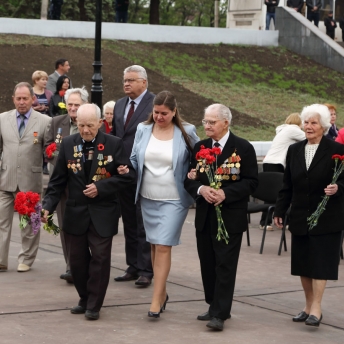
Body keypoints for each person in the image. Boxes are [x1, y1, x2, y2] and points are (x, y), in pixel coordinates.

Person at [42, 103, 135, 320]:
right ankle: (84, 298)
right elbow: (56, 182)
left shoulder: (114, 144)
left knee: (100, 259)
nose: (85, 130)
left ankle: (94, 304)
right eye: (81, 125)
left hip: (103, 212)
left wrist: (101, 188)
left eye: (90, 125)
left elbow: (128, 176)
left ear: (100, 123)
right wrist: (47, 206)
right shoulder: (67, 144)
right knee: (77, 261)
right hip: (75, 212)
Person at [122, 91, 199, 318]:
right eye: (156, 112)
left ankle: (156, 299)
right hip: (147, 196)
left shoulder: (187, 131)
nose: (159, 117)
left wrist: (196, 172)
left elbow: (200, 157)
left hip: (174, 198)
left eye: (164, 113)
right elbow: (136, 158)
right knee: (155, 245)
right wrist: (127, 168)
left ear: (174, 112)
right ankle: (162, 292)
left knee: (164, 245)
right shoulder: (143, 130)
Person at [184, 104, 258, 331]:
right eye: (205, 121)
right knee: (207, 263)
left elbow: (252, 182)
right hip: (206, 216)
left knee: (225, 264)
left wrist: (226, 193)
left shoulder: (242, 148)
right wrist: (201, 190)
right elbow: (189, 178)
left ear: (225, 123)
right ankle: (213, 303)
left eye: (212, 122)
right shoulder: (200, 146)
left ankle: (220, 313)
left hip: (229, 216)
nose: (207, 126)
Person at [274, 104, 344, 327]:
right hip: (301, 214)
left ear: (323, 126)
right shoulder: (294, 150)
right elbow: (287, 185)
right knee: (303, 263)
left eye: (313, 123)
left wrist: (338, 188)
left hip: (327, 215)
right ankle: (307, 305)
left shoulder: (338, 150)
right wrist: (279, 210)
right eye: (306, 122)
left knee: (320, 263)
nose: (308, 126)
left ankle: (317, 308)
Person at [0, 82, 51, 273]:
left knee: (30, 224)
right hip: (5, 180)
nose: (21, 102)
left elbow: (50, 153)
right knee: (1, 222)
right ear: (13, 99)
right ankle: (1, 260)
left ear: (32, 99)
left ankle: (26, 259)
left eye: (25, 98)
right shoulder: (2, 119)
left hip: (31, 181)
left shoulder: (45, 121)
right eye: (18, 98)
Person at [111, 65, 154, 287]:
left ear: (144, 82)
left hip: (146, 171)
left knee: (143, 221)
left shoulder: (155, 104)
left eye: (131, 80)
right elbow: (116, 136)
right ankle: (133, 265)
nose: (126, 83)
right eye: (124, 80)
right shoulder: (119, 104)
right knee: (128, 219)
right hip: (123, 171)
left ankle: (147, 269)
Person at [44, 87, 89, 283]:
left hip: (85, 185)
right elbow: (46, 145)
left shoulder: (91, 124)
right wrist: (53, 153)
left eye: (76, 105)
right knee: (65, 226)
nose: (72, 108)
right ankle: (71, 266)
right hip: (62, 184)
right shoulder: (56, 123)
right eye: (69, 104)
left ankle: (86, 263)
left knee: (86, 227)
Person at [260, 113, 305, 230]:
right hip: (277, 162)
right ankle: (275, 221)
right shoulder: (292, 130)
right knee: (280, 192)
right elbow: (309, 137)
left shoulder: (283, 130)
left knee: (272, 193)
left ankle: (267, 221)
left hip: (269, 161)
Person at [32, 70, 54, 175]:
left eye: (46, 79)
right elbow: (26, 106)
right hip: (34, 121)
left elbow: (52, 106)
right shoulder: (30, 92)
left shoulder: (49, 93)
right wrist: (35, 108)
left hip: (46, 120)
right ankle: (35, 162)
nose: (45, 82)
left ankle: (45, 165)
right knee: (35, 141)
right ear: (36, 80)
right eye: (43, 79)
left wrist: (47, 107)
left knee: (46, 141)